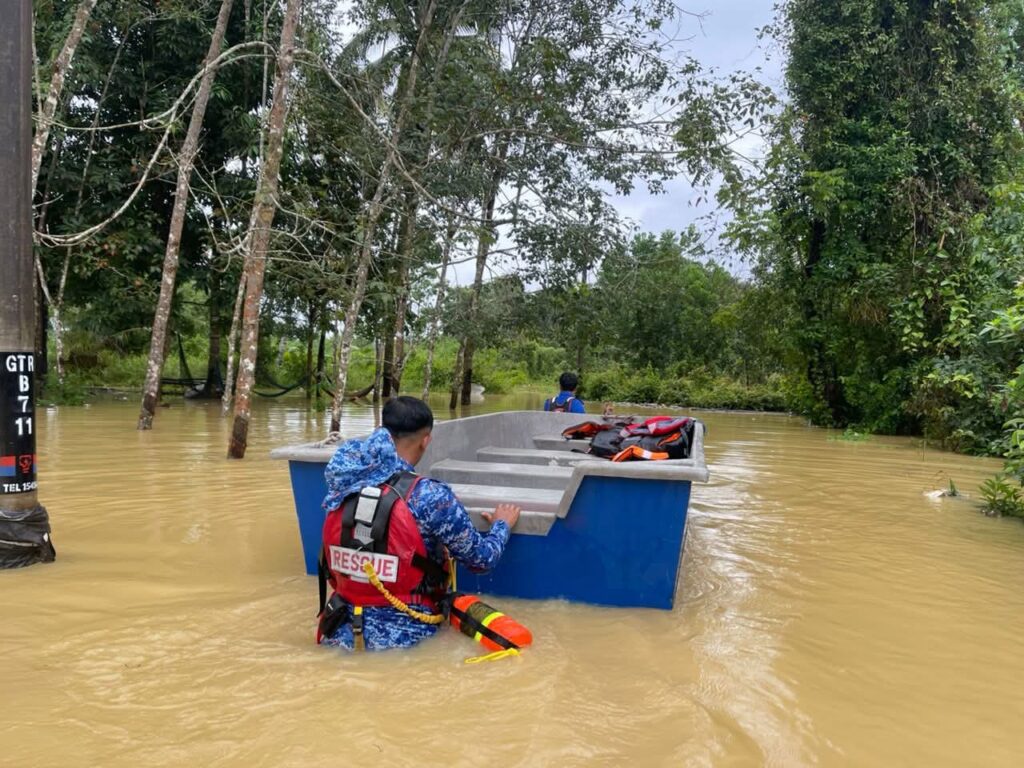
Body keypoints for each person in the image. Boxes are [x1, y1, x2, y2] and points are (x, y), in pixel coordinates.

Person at [318, 396, 520, 651]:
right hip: (406, 640)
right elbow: (481, 560)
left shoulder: (343, 480)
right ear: (426, 441)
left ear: (383, 431)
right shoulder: (430, 496)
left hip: (338, 633)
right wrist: (501, 525)